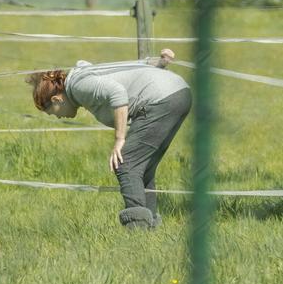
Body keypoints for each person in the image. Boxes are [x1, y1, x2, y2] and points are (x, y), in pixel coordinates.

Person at [26, 49, 191, 229]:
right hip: (179, 93)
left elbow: (118, 93)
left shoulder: (79, 85)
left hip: (160, 100)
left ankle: (138, 230)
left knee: (125, 162)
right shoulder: (82, 78)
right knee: (143, 167)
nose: (58, 117)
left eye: (53, 113)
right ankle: (150, 229)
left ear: (57, 100)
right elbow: (127, 68)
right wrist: (159, 63)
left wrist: (120, 140)